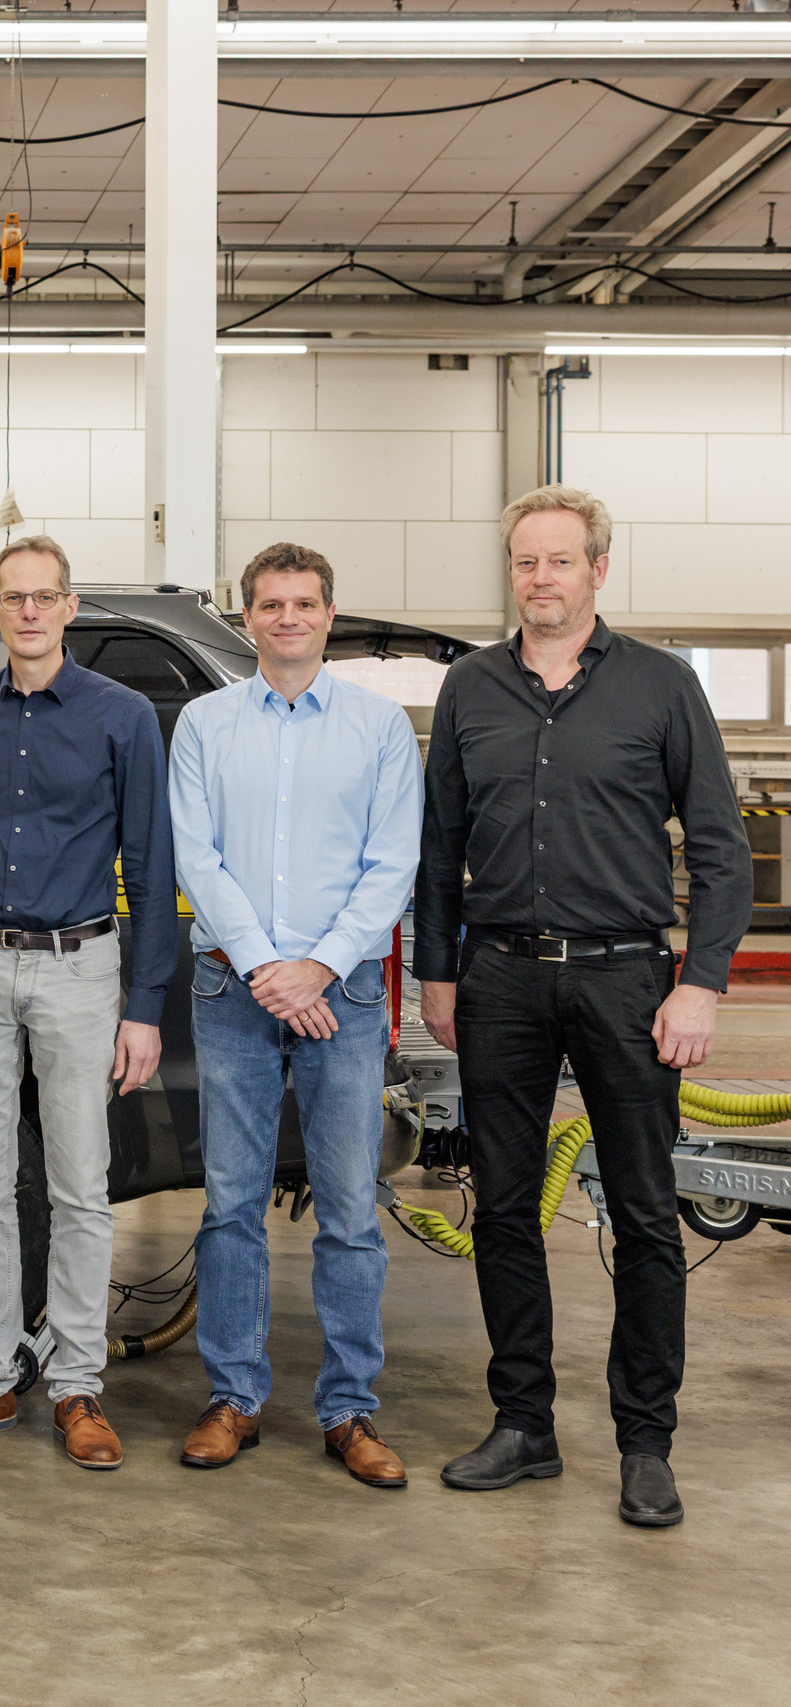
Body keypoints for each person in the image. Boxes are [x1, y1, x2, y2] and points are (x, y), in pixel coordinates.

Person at [418, 485, 752, 1529]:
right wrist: (438, 972)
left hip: (625, 976)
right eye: (524, 562)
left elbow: (719, 848)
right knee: (505, 1207)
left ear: (597, 571)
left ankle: (644, 1440)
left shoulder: (659, 687)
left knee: (647, 1215)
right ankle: (524, 1426)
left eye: (559, 562)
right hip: (501, 977)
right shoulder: (471, 688)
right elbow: (437, 849)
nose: (540, 579)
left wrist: (697, 980)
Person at [0, 534, 171, 1472]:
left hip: (79, 968)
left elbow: (149, 864)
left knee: (79, 1188)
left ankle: (76, 1386)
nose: (28, 611)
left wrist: (143, 1005)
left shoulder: (123, 716)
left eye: (45, 597)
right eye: (12, 597)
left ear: (71, 608)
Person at [167, 543, 421, 1486]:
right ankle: (233, 1398)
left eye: (303, 602)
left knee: (351, 1208)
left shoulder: (379, 726)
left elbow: (392, 863)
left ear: (326, 612)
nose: (286, 618)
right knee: (230, 1203)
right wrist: (270, 967)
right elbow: (197, 856)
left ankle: (351, 1410)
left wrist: (314, 969)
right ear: (247, 618)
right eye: (269, 604)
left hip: (342, 992)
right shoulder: (203, 724)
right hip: (234, 988)